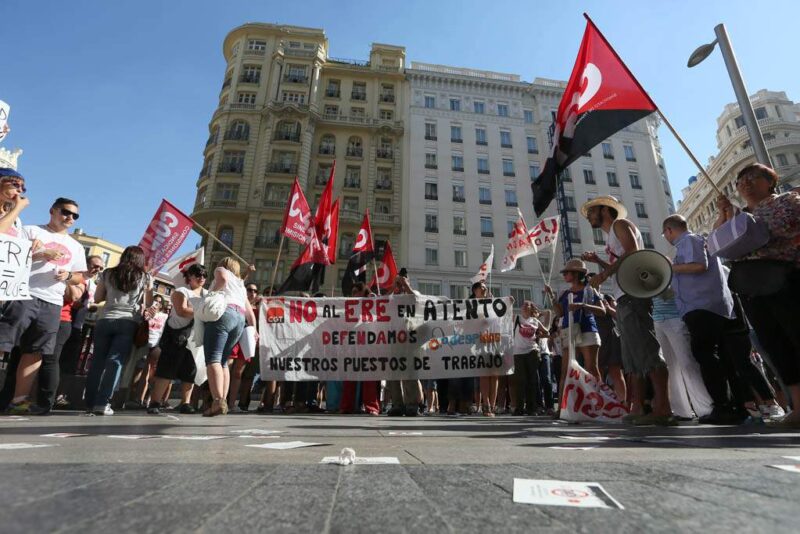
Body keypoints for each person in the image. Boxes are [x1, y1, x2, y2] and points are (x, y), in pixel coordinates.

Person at [663, 213, 777, 424]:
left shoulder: (689, 240)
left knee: (705, 355)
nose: (666, 238)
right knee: (723, 357)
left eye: (665, 234)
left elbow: (699, 265)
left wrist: (670, 267)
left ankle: (723, 405)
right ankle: (737, 405)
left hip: (702, 305)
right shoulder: (695, 241)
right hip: (709, 306)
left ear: (669, 230)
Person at [715, 163, 800, 426]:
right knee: (775, 345)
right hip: (751, 286)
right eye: (741, 181)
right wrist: (727, 216)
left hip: (785, 279)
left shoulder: (787, 201)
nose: (746, 183)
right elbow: (718, 244)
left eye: (753, 178)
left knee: (796, 334)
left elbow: (785, 227)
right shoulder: (738, 216)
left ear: (770, 182)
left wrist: (747, 229)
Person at [580, 195, 675, 425]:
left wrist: (604, 273)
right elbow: (622, 261)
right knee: (633, 357)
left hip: (634, 296)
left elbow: (633, 252)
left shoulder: (620, 225)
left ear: (604, 209)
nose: (589, 217)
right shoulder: (611, 234)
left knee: (647, 350)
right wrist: (602, 265)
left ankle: (663, 408)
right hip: (626, 296)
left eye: (592, 212)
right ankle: (640, 406)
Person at [1, 198, 87, 415]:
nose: (70, 218)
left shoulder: (76, 246)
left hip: (53, 301)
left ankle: (19, 400)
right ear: (52, 211)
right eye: (66, 212)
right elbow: (9, 256)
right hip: (24, 293)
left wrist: (68, 275)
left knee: (35, 352)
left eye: (75, 215)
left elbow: (79, 277)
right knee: (3, 343)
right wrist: (40, 254)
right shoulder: (31, 231)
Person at [84, 245, 153, 415]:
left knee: (97, 361)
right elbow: (149, 304)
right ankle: (103, 402)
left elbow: (98, 297)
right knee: (116, 362)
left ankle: (89, 402)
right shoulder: (144, 277)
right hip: (128, 321)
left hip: (105, 319)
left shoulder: (107, 273)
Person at [545, 259, 605, 412]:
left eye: (567, 272)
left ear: (576, 274)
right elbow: (559, 313)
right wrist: (551, 296)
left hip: (588, 330)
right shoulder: (565, 294)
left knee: (592, 367)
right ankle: (562, 409)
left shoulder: (590, 290)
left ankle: (598, 405)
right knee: (565, 370)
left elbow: (602, 310)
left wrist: (582, 305)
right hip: (569, 331)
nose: (564, 275)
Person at [148, 264, 207, 415]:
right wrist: (204, 312)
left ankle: (185, 403)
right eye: (198, 274)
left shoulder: (207, 294)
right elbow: (182, 311)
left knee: (190, 371)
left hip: (195, 338)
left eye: (204, 275)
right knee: (166, 370)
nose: (202, 278)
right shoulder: (182, 291)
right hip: (177, 335)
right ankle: (155, 402)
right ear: (189, 277)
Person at [202, 257, 257, 417]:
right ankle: (223, 400)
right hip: (239, 319)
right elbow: (249, 311)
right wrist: (253, 329)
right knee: (224, 361)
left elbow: (223, 278)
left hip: (223, 314)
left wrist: (211, 294)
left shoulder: (221, 271)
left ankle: (218, 401)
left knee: (213, 359)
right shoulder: (240, 284)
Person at [651, 291, 713, 420]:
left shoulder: (677, 271)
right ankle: (681, 411)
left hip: (676, 317)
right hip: (657, 319)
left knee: (687, 363)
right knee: (671, 367)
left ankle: (705, 409)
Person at [340, 283, 381, 416]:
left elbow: (379, 305)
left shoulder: (371, 300)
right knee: (350, 377)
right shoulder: (350, 305)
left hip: (368, 346)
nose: (353, 294)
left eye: (356, 291)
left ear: (363, 292)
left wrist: (372, 298)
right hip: (352, 346)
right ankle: (347, 406)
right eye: (352, 292)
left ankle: (372, 407)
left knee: (369, 378)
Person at [385, 275, 423, 416]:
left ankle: (412, 404)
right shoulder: (392, 298)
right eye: (399, 283)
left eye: (403, 282)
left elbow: (417, 300)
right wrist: (393, 286)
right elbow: (380, 300)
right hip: (394, 338)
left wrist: (406, 285)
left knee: (409, 372)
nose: (401, 286)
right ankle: (397, 404)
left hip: (409, 338)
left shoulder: (412, 295)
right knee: (394, 372)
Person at [512, 301, 549, 415]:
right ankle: (519, 408)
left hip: (532, 352)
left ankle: (531, 408)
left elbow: (547, 331)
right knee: (520, 380)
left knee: (532, 380)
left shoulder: (535, 321)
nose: (524, 306)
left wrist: (538, 336)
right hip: (518, 352)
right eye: (523, 304)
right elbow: (503, 312)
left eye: (527, 304)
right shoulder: (516, 318)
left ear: (531, 308)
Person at [595, 293, 626, 403]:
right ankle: (599, 402)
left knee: (615, 371)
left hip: (611, 337)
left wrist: (608, 307)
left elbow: (618, 315)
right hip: (597, 337)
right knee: (598, 371)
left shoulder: (606, 297)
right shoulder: (587, 298)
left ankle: (623, 402)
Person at [0, 167, 29, 235]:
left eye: (23, 188)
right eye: (16, 184)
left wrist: (32, 242)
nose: (20, 190)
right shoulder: (15, 211)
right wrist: (18, 207)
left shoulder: (16, 219)